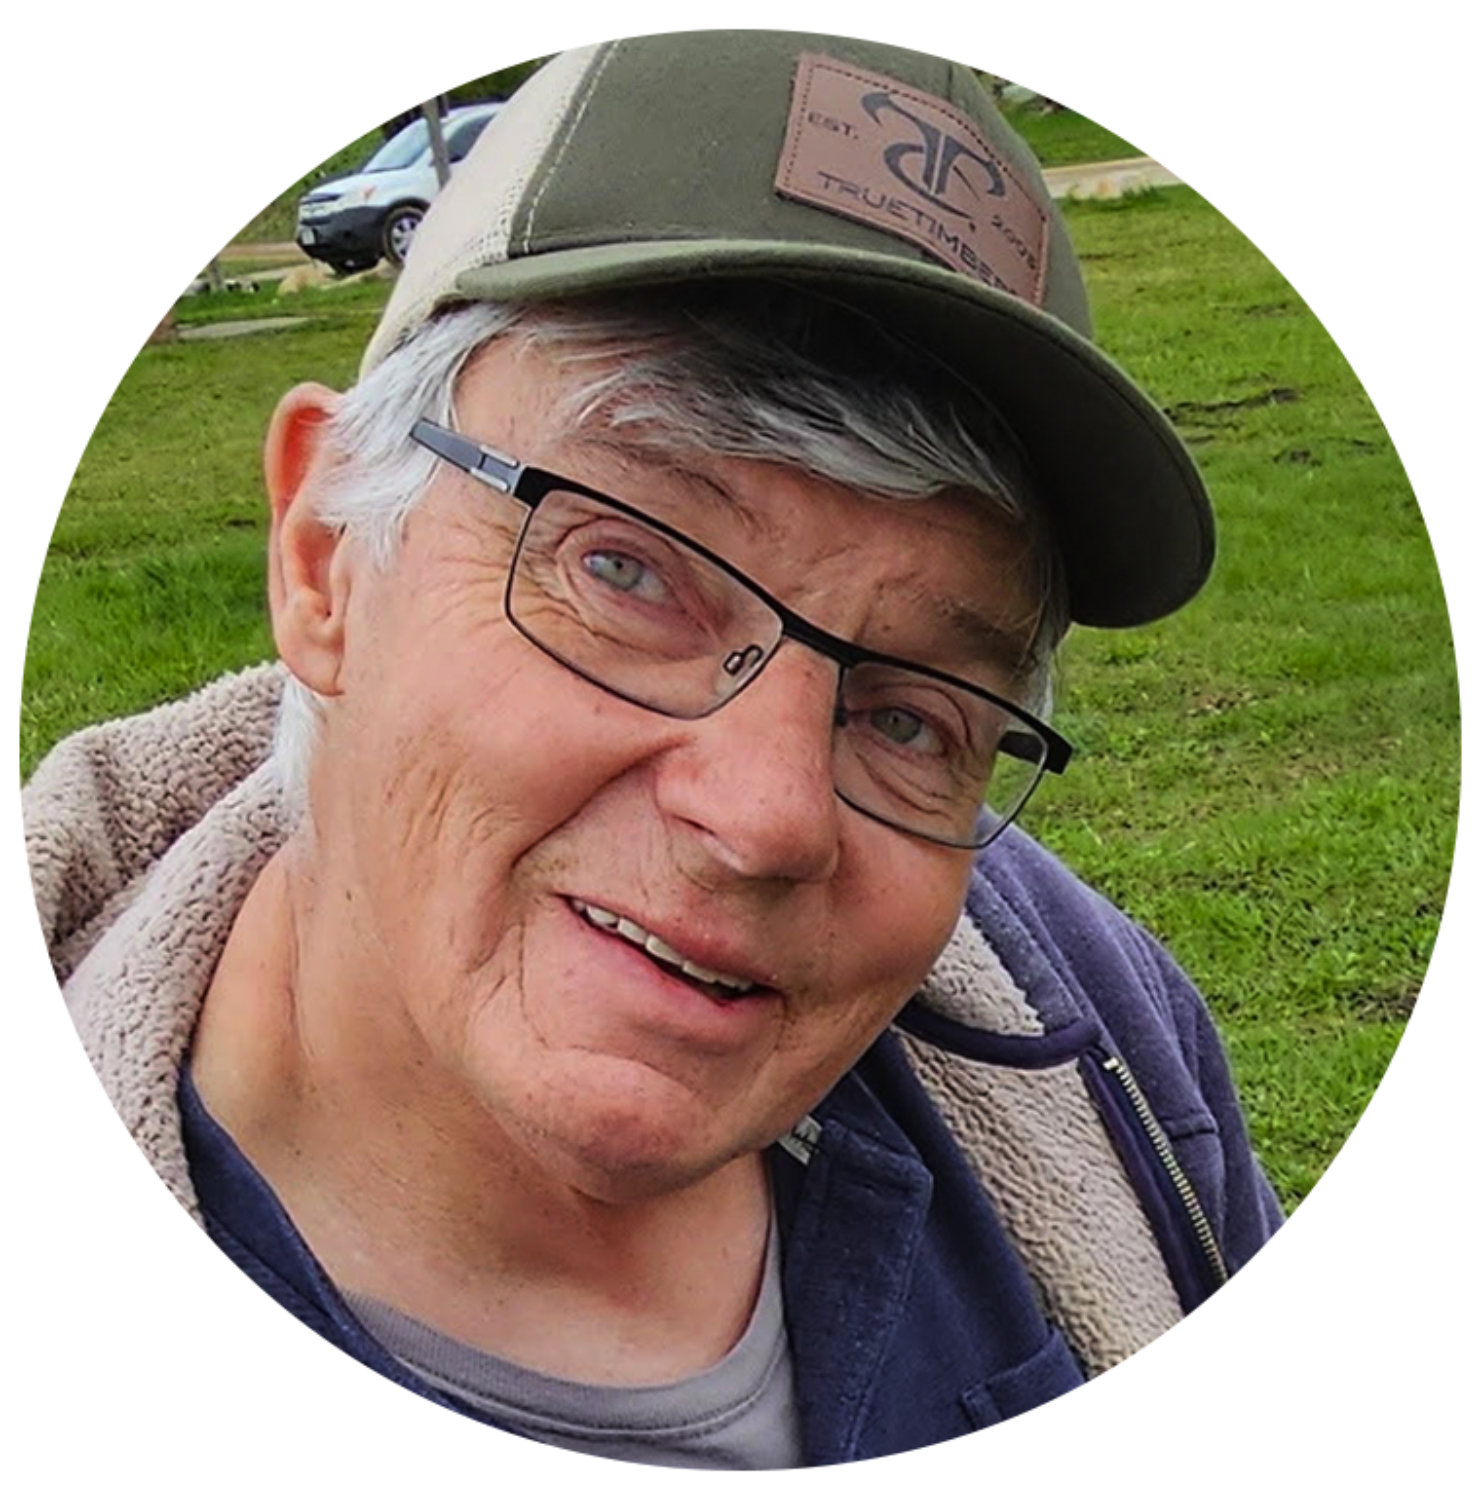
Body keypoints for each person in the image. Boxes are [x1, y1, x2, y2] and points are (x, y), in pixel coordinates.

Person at [24, 32, 1283, 1467]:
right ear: (325, 559)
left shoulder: (1095, 1031)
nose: (766, 815)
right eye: (625, 573)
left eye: (910, 714)